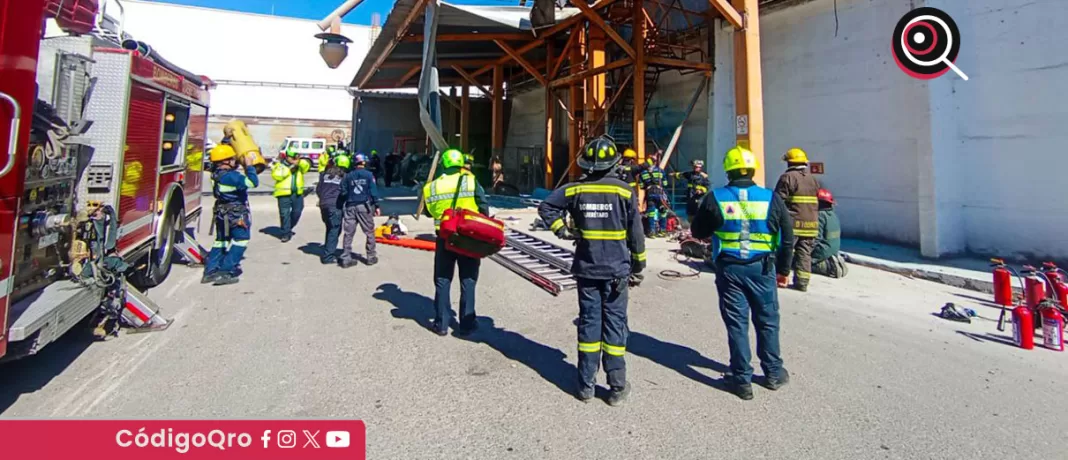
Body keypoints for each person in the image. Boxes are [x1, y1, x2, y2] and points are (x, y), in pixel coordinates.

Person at [538, 136, 645, 406]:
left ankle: (585, 385)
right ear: (614, 164)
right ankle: (617, 386)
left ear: (587, 163)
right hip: (617, 269)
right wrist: (639, 264)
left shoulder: (575, 189)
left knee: (589, 323)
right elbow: (636, 234)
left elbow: (546, 206)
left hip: (587, 268)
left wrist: (561, 229)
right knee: (615, 325)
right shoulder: (624, 191)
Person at [691, 146, 794, 400]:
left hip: (730, 269)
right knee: (767, 321)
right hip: (763, 269)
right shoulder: (771, 198)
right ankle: (772, 373)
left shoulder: (716, 198)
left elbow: (698, 232)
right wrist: (783, 270)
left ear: (728, 170)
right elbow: (788, 237)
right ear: (752, 169)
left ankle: (742, 380)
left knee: (737, 324)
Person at [421, 149, 490, 337]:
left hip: (444, 237)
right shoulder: (470, 180)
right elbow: (483, 206)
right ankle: (467, 324)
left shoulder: (431, 187)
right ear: (461, 163)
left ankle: (441, 323)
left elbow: (429, 212)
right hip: (468, 237)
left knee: (443, 279)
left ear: (443, 164)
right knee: (468, 279)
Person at [203, 144, 258, 286]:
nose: (235, 161)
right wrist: (250, 166)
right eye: (232, 159)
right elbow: (252, 182)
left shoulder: (216, 174)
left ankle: (210, 271)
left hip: (222, 211)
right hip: (235, 213)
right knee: (241, 239)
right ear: (226, 161)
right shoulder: (231, 176)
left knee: (221, 240)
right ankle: (225, 272)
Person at [773, 147, 821, 292]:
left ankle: (782, 277)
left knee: (785, 250)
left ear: (789, 163)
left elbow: (778, 201)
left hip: (792, 223)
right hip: (811, 224)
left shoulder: (787, 177)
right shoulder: (813, 179)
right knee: (805, 253)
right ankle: (802, 282)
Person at [338, 154, 380, 268]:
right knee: (369, 232)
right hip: (364, 206)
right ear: (364, 163)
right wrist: (377, 205)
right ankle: (371, 256)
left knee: (348, 233)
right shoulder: (369, 175)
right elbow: (373, 191)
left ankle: (346, 257)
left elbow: (343, 191)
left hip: (350, 206)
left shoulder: (348, 176)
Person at [271, 145, 312, 243]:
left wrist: (299, 162)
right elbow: (277, 176)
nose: (293, 159)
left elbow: (306, 167)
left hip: (297, 193)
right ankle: (285, 233)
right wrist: (289, 169)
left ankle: (288, 227)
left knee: (297, 212)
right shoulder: (280, 165)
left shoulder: (300, 165)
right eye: (291, 157)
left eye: (295, 157)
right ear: (286, 156)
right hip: (283, 193)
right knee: (284, 214)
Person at [317, 154, 350, 264]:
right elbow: (345, 192)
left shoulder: (324, 174)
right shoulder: (344, 176)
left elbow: (318, 190)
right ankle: (328, 256)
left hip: (323, 205)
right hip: (334, 206)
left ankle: (328, 249)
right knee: (334, 230)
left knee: (330, 228)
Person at [811, 188, 848, 278]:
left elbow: (816, 239)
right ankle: (834, 262)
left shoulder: (820, 216)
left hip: (821, 252)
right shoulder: (833, 215)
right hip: (833, 251)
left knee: (799, 263)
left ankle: (829, 267)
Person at [670, 159, 711, 224]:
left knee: (698, 212)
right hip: (690, 197)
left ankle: (699, 226)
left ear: (700, 168)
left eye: (697, 167)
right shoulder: (690, 174)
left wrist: (701, 191)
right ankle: (691, 226)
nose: (696, 168)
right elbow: (682, 174)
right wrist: (674, 175)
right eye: (695, 167)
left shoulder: (703, 176)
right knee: (690, 212)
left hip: (698, 198)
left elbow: (707, 186)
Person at [638, 152, 668, 238]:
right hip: (660, 194)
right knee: (663, 211)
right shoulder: (660, 171)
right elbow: (665, 184)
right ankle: (662, 230)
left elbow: (641, 186)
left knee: (651, 212)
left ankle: (652, 231)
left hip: (650, 194)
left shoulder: (643, 173)